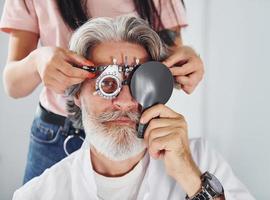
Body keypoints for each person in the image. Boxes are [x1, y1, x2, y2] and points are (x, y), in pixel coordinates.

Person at [12, 16, 254, 200]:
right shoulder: (39, 194)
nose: (126, 101)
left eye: (141, 83)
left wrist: (190, 177)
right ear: (76, 93)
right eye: (107, 83)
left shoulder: (200, 159)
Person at [0, 0, 204, 183]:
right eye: (108, 83)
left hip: (135, 130)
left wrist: (186, 60)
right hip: (58, 134)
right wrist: (36, 61)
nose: (123, 99)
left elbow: (173, 52)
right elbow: (13, 85)